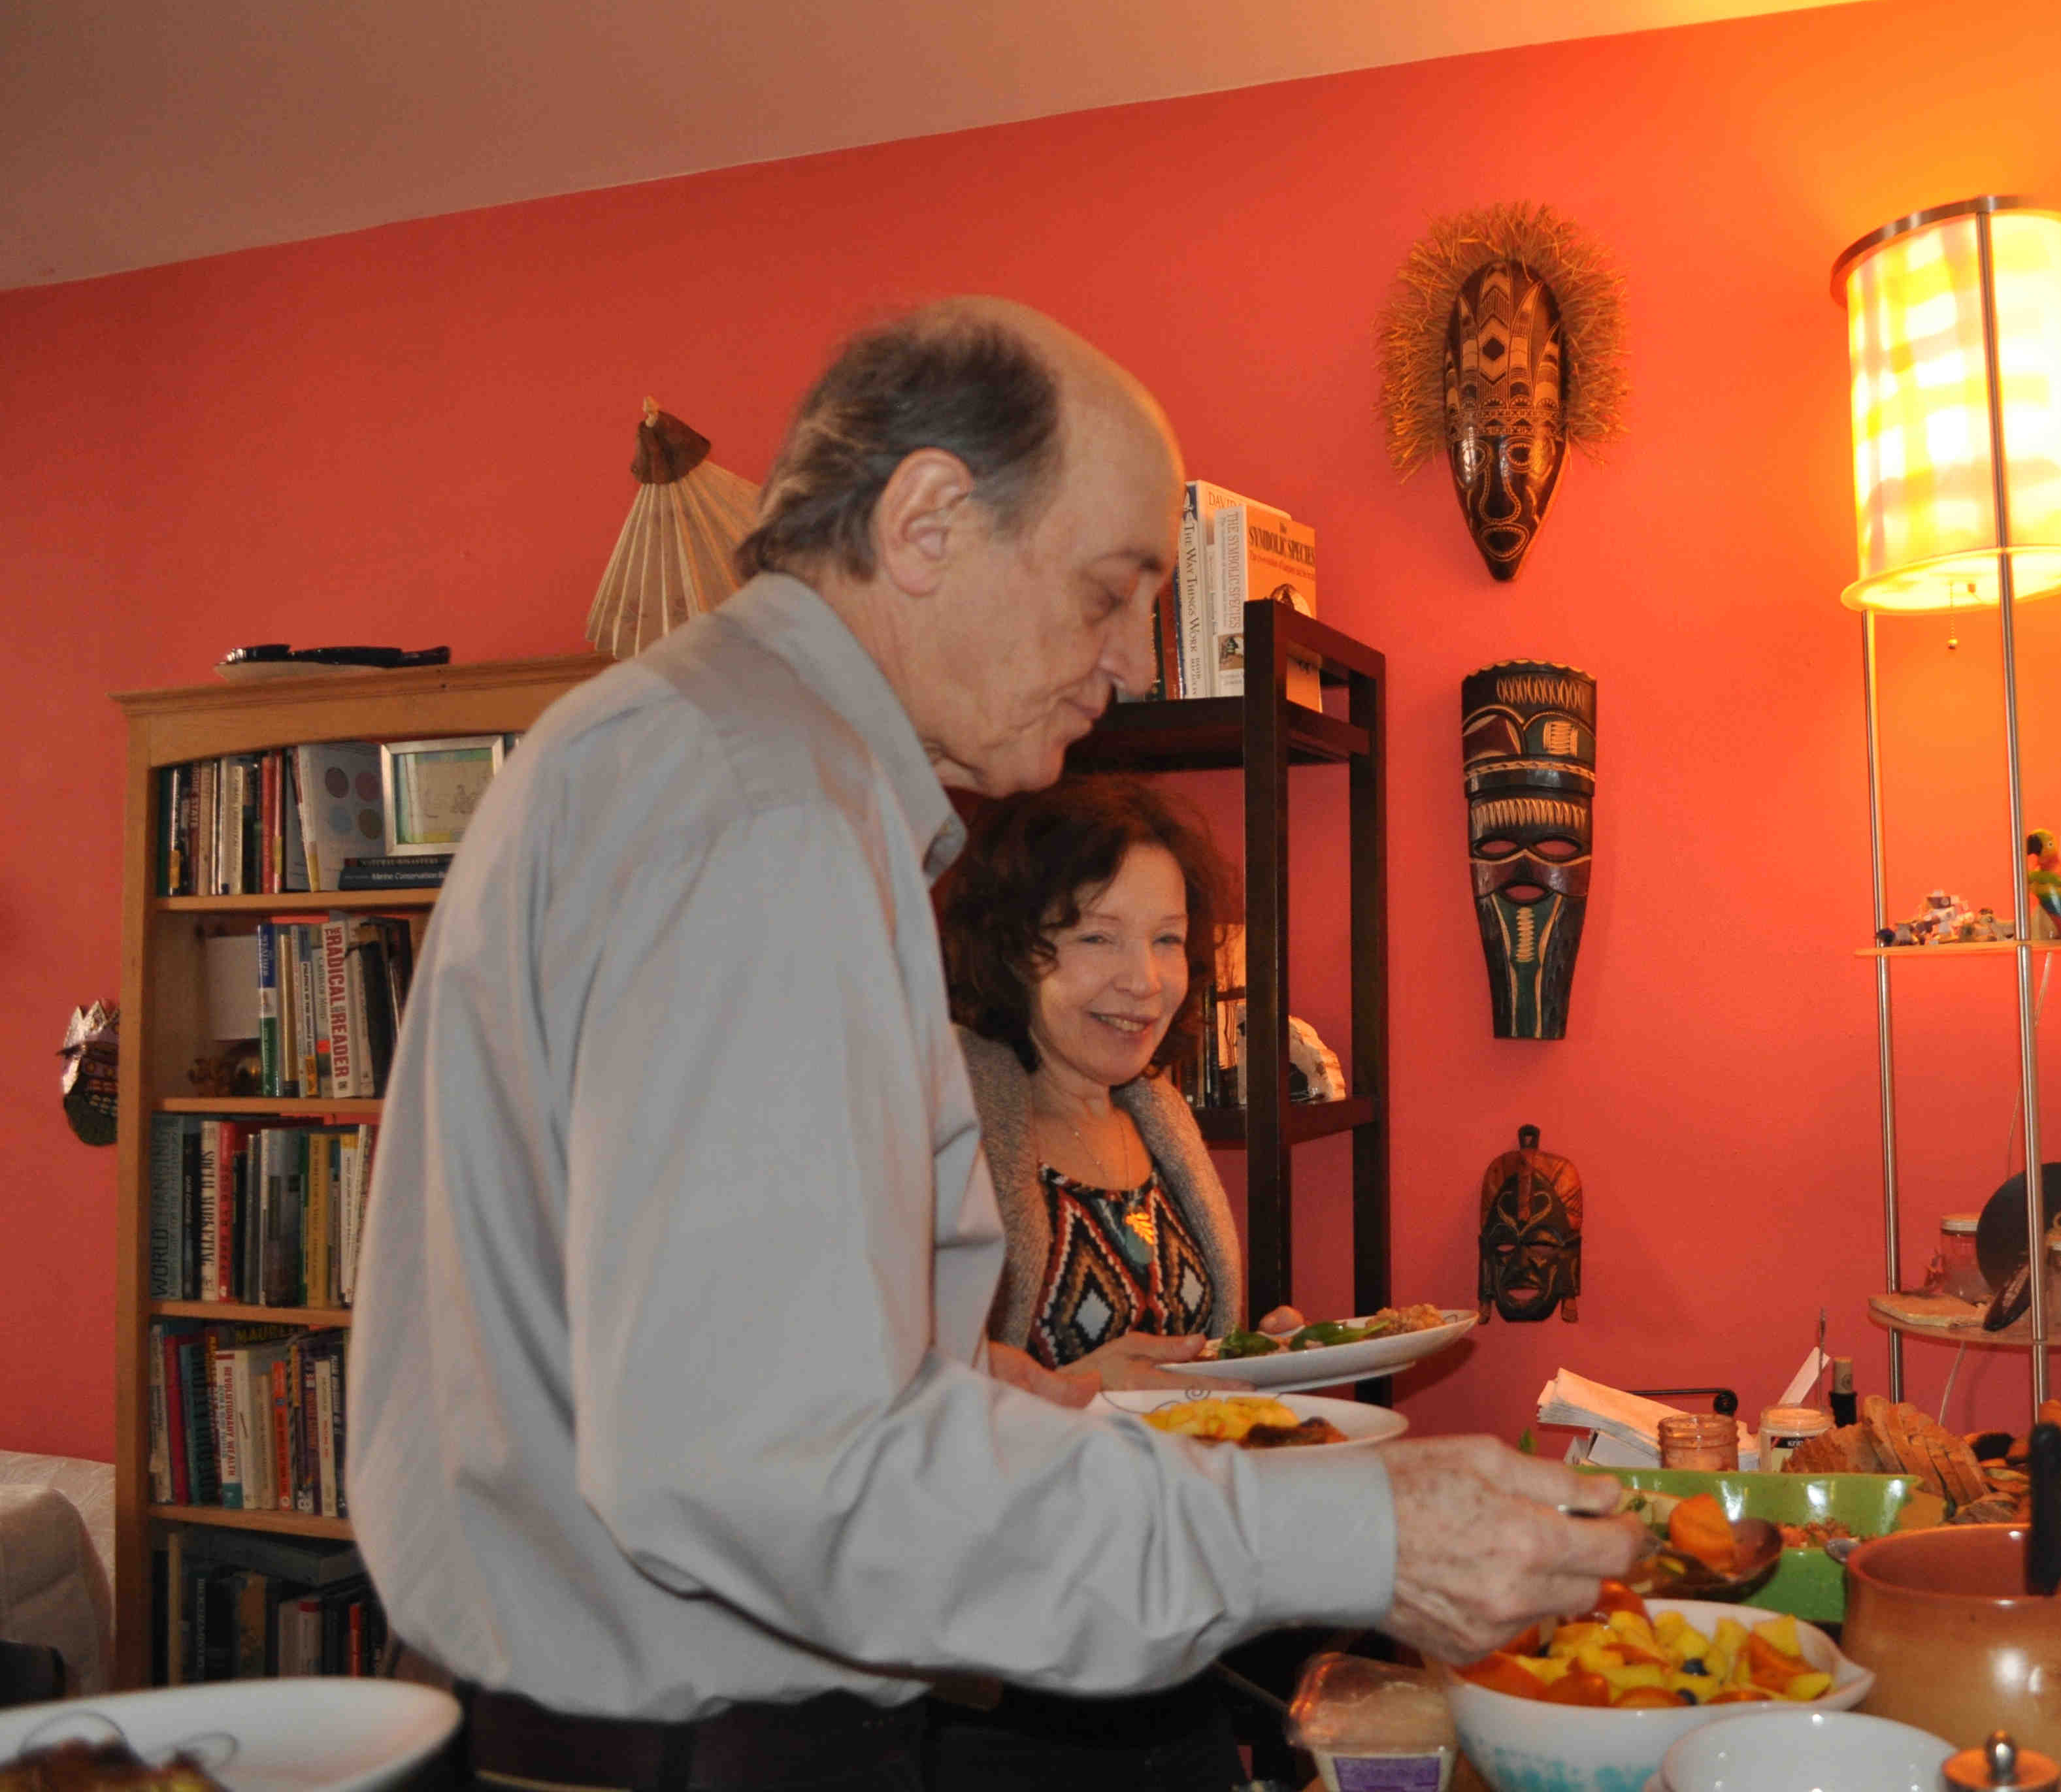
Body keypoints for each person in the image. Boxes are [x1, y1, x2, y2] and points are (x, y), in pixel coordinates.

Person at [345, 297, 1645, 1792]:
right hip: (684, 1745)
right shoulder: (761, 809)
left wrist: (1010, 1391)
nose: (1129, 662)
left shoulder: (705, 759)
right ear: (927, 523)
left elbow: (713, 1351)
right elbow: (779, 1465)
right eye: (1107, 593)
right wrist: (1363, 1534)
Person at [930, 775, 1306, 1787]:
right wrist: (1077, 1392)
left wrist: (1253, 1370)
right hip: (1008, 1695)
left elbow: (1171, 1359)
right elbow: (885, 1394)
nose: (1145, 979)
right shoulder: (946, 1118)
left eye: (1169, 939)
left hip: (1171, 1656)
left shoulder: (1153, 1110)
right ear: (1013, 946)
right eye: (1098, 937)